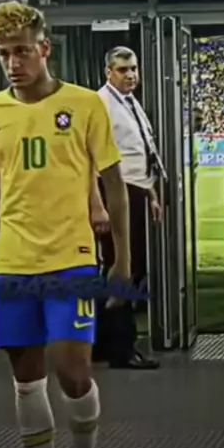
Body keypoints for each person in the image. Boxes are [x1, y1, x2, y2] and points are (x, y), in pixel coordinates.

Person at [0, 2, 130, 448]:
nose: (13, 63)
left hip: (72, 260)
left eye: (22, 52)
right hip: (13, 265)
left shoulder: (84, 105)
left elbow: (114, 182)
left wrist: (122, 256)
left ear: (44, 49)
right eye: (4, 54)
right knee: (27, 379)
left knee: (73, 369)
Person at [94, 47, 164, 369]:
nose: (131, 75)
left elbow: (140, 153)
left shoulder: (130, 102)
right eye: (123, 70)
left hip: (135, 189)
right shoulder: (101, 104)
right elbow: (90, 157)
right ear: (108, 72)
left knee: (127, 266)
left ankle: (105, 344)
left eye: (134, 68)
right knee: (123, 267)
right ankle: (122, 348)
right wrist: (98, 204)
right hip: (115, 193)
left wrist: (151, 193)